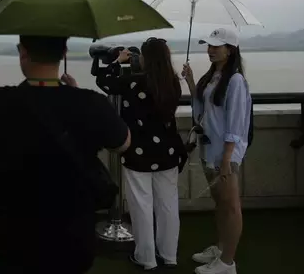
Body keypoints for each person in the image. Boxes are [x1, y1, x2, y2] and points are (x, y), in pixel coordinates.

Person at [0, 35, 132, 274]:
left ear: (23, 52)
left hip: (15, 240)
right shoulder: (91, 103)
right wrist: (77, 95)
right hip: (73, 238)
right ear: (64, 53)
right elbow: (123, 143)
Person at [96, 37, 187, 271]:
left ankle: (145, 258)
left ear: (146, 58)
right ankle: (169, 255)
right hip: (168, 151)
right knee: (168, 205)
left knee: (141, 206)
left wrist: (118, 60)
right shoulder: (173, 82)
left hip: (138, 153)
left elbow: (104, 81)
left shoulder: (133, 82)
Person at [182, 27, 251, 274]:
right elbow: (203, 109)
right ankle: (220, 249)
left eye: (215, 46)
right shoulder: (213, 77)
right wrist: (191, 81)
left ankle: (227, 263)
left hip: (225, 153)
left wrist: (227, 158)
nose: (210, 50)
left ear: (230, 50)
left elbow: (236, 122)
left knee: (231, 205)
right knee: (220, 203)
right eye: (208, 46)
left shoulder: (235, 80)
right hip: (210, 150)